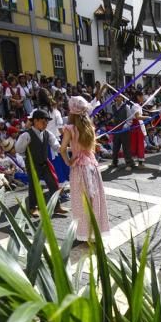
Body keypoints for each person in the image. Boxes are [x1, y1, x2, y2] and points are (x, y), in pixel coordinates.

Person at [60, 96, 109, 242]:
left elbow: (62, 149)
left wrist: (69, 161)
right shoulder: (90, 127)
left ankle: (84, 234)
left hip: (79, 168)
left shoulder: (70, 129)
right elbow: (91, 149)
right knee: (95, 199)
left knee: (81, 202)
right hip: (92, 167)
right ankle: (96, 232)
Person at [15, 109, 67, 217]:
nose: (46, 124)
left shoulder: (47, 133)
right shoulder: (26, 135)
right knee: (34, 186)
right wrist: (28, 159)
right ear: (35, 121)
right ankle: (33, 208)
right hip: (32, 165)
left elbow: (57, 147)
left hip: (44, 163)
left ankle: (56, 206)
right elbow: (19, 150)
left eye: (47, 122)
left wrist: (70, 148)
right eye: (43, 122)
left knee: (53, 184)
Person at [111, 95, 134, 168]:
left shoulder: (126, 107)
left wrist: (125, 126)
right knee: (115, 147)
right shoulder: (113, 106)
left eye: (119, 97)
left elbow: (130, 119)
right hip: (116, 130)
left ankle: (128, 163)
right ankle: (114, 162)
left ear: (122, 98)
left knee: (126, 147)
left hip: (124, 130)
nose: (118, 98)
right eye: (116, 97)